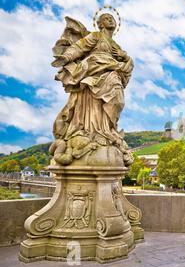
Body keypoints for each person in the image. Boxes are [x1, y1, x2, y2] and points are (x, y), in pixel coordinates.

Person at [51, 13, 133, 166]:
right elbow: (79, 48)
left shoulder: (116, 46)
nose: (111, 20)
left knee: (118, 101)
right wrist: (66, 57)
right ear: (100, 24)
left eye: (112, 18)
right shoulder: (96, 36)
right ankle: (95, 132)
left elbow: (128, 65)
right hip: (93, 70)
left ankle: (107, 129)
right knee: (94, 103)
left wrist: (126, 57)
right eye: (106, 18)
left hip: (111, 73)